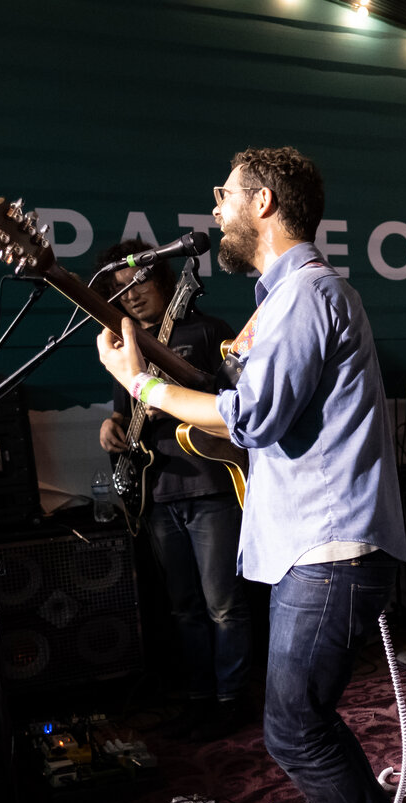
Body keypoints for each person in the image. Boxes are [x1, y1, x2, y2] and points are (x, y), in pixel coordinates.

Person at [96, 146, 406, 803]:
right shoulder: (283, 301)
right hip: (315, 543)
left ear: (264, 202)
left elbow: (252, 419)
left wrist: (142, 386)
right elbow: (253, 411)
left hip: (333, 545)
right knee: (303, 717)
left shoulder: (307, 294)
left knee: (294, 725)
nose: (215, 208)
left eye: (225, 194)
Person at [91, 241, 252, 740]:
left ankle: (233, 699)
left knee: (224, 605)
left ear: (163, 279)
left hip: (210, 487)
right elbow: (123, 408)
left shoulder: (208, 331)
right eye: (120, 290)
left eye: (138, 282)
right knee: (184, 607)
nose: (131, 296)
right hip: (155, 490)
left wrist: (180, 399)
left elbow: (239, 405)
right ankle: (199, 698)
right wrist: (111, 426)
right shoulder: (128, 344)